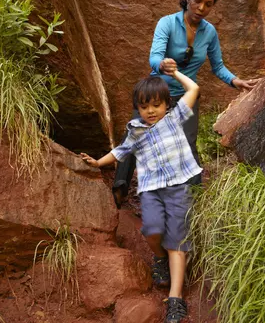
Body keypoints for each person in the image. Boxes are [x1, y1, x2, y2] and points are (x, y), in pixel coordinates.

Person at [112, 0, 259, 207]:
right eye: (197, 1)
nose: (201, 8)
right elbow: (154, 57)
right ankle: (120, 188)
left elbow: (217, 66)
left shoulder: (209, 32)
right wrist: (162, 65)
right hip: (157, 92)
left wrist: (236, 81)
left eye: (208, 4)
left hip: (186, 97)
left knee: (188, 144)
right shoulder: (168, 23)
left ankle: (195, 200)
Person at [81, 69, 201, 323]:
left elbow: (194, 90)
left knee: (177, 243)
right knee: (152, 230)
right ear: (138, 108)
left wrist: (176, 73)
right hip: (151, 190)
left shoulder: (174, 119)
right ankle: (160, 258)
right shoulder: (135, 131)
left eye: (156, 105)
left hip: (178, 187)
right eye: (144, 106)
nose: (150, 111)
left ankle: (175, 299)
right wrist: (96, 163)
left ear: (167, 104)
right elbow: (119, 153)